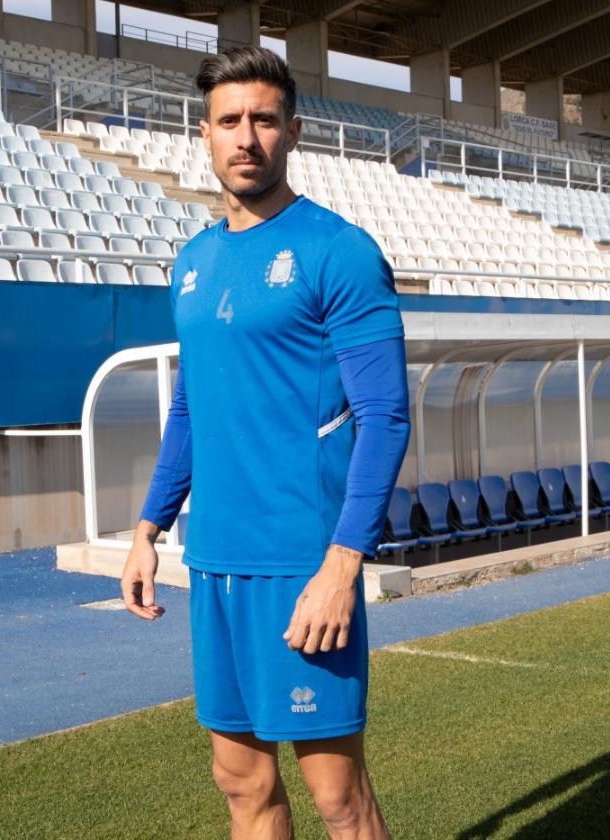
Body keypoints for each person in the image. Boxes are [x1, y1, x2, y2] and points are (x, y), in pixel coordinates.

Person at [120, 46, 410, 840]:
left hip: (301, 563)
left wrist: (342, 566)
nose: (245, 137)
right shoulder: (191, 262)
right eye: (228, 121)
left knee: (339, 800)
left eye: (263, 120)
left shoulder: (339, 251)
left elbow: (386, 418)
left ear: (293, 132)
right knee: (240, 783)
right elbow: (192, 408)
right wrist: (149, 528)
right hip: (214, 556)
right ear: (204, 135)